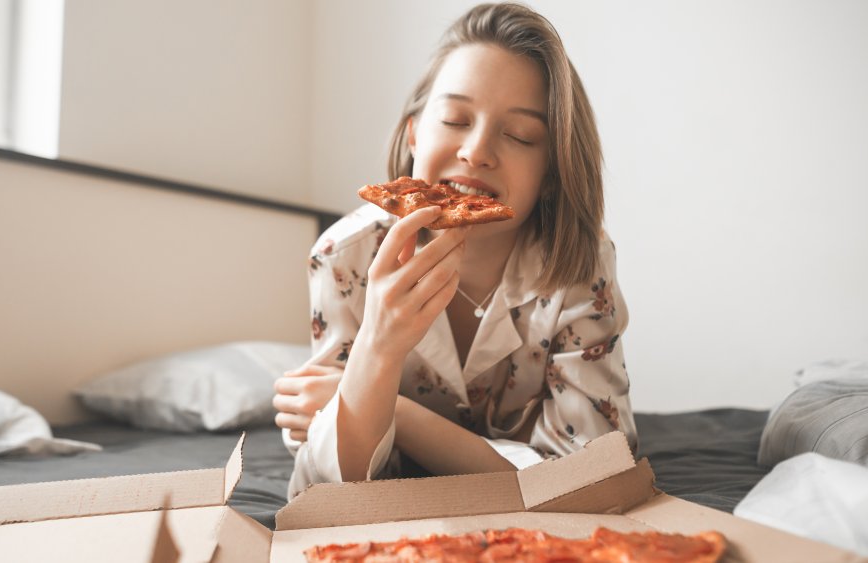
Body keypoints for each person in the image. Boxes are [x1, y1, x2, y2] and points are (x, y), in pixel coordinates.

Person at [273, 2, 637, 499]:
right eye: (454, 118)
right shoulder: (345, 256)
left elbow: (596, 477)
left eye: (519, 135)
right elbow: (327, 490)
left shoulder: (578, 263)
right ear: (414, 134)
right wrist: (379, 343)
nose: (477, 151)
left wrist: (395, 412)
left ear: (551, 175)